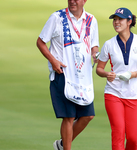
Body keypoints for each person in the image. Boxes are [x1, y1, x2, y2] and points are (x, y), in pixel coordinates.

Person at [36, 0, 99, 149]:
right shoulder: (56, 17)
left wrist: (96, 54)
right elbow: (40, 42)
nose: (72, 1)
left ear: (84, 1)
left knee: (88, 116)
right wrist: (53, 61)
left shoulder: (91, 20)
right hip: (62, 74)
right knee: (69, 117)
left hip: (83, 77)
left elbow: (94, 45)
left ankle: (62, 144)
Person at [96, 8, 137, 150]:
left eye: (120, 19)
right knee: (118, 133)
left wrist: (132, 74)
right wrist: (107, 74)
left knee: (133, 138)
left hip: (135, 94)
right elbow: (99, 69)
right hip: (114, 93)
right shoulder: (109, 44)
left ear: (129, 22)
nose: (116, 22)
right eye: (114, 19)